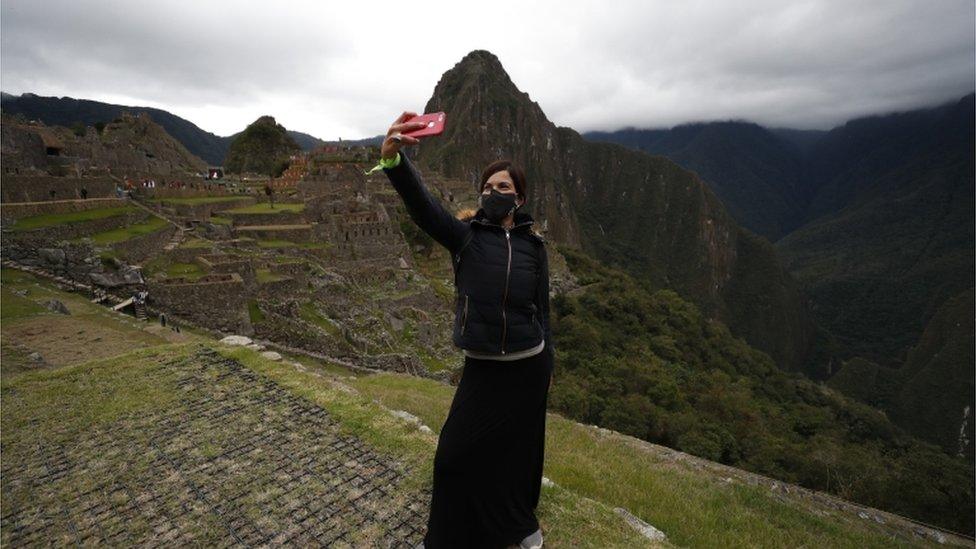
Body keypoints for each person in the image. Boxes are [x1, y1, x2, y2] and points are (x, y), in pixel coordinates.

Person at [377, 112, 553, 549]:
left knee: (517, 454)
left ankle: (519, 528)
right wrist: (395, 164)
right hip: (484, 368)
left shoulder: (535, 247)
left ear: (520, 197)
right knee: (453, 458)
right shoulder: (467, 238)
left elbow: (543, 310)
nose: (494, 192)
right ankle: (443, 540)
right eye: (489, 186)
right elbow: (424, 209)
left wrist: (549, 363)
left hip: (530, 364)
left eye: (504, 187)